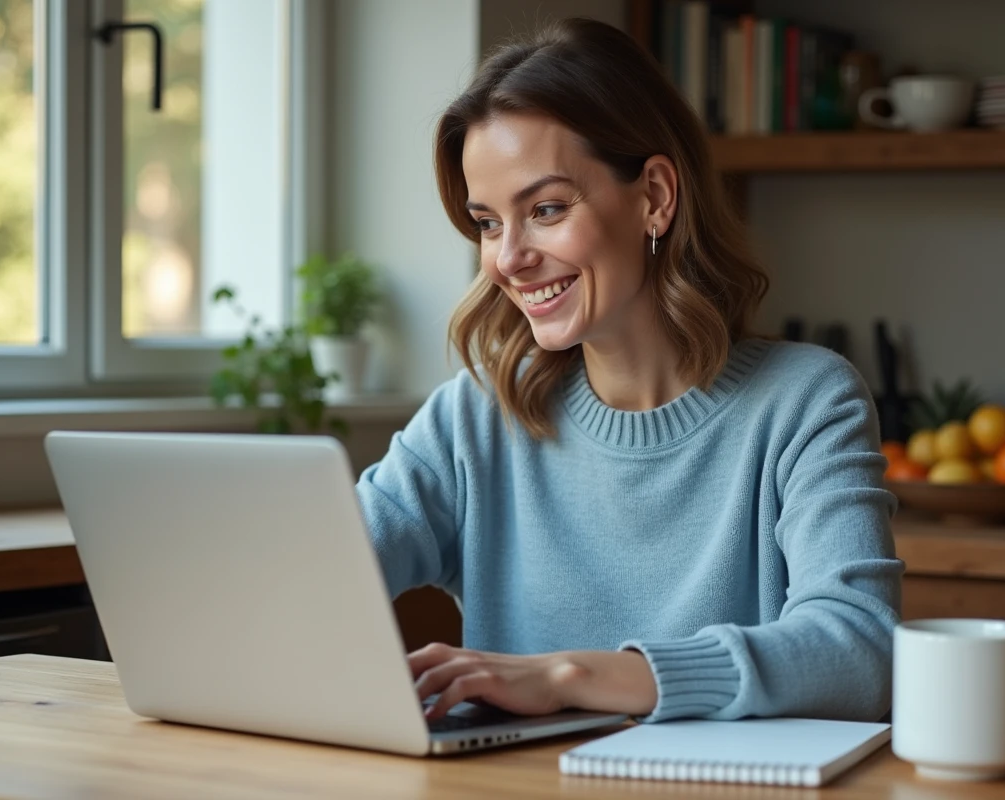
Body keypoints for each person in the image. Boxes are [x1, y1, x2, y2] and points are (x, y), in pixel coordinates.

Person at [356, 17, 902, 725]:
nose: (508, 258)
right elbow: (319, 573)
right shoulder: (475, 417)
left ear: (654, 197)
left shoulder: (805, 402)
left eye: (546, 209)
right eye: (489, 222)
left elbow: (863, 651)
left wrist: (568, 676)